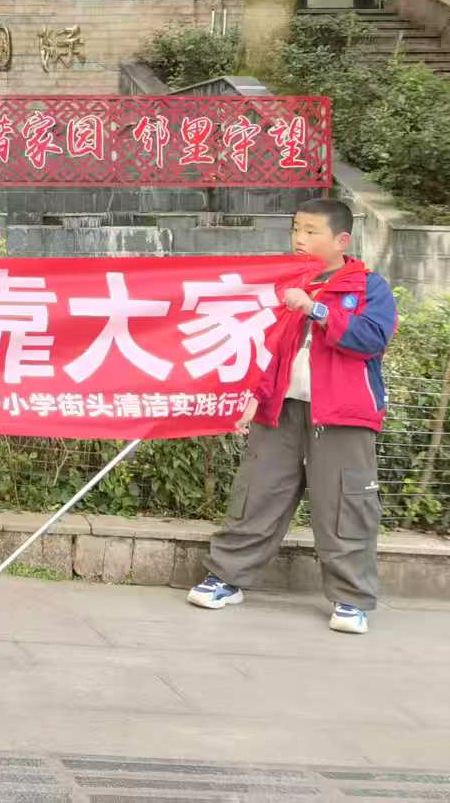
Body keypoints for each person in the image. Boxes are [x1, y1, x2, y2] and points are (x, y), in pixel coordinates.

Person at [189, 198, 398, 635]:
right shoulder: (289, 283)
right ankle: (226, 578)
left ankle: (350, 599)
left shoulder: (368, 287)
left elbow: (371, 339)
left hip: (342, 415)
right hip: (281, 409)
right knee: (257, 492)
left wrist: (316, 309)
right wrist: (256, 398)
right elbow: (274, 348)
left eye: (310, 231)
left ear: (341, 240)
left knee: (344, 504)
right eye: (296, 229)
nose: (299, 239)